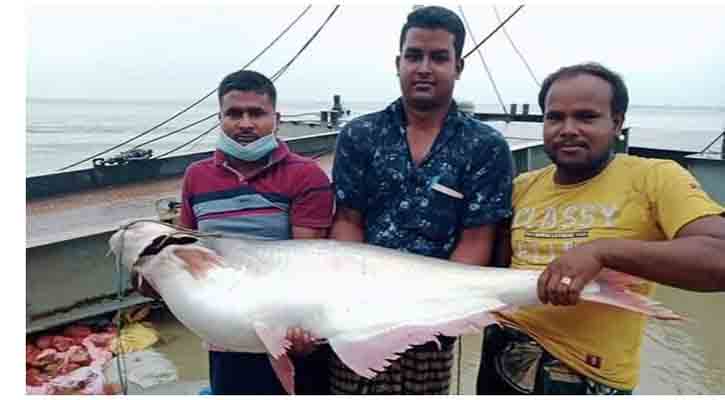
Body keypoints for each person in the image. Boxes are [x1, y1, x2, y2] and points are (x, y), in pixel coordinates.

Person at [475, 62, 725, 395]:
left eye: (586, 117)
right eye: (555, 117)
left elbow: (719, 256)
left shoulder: (655, 178)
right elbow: (493, 271)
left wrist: (602, 252)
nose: (568, 129)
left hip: (585, 373)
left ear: (617, 122)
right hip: (502, 356)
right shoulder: (522, 186)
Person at [330, 5, 514, 395]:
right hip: (359, 315)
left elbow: (477, 239)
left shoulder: (485, 146)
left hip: (433, 321)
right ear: (398, 63)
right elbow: (347, 221)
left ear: (458, 66)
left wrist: (430, 313)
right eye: (414, 56)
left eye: (439, 57)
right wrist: (356, 302)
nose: (424, 68)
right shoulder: (359, 135)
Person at [138, 69, 334, 394]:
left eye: (256, 113)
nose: (245, 124)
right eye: (234, 114)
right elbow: (188, 252)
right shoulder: (197, 176)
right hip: (225, 335)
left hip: (289, 331)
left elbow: (306, 263)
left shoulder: (306, 175)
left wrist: (301, 328)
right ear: (220, 118)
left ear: (276, 119)